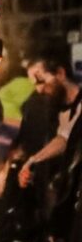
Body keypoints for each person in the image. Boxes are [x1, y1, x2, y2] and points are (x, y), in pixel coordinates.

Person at [16, 49, 80, 190]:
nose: (39, 90)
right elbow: (64, 138)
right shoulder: (56, 110)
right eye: (35, 85)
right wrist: (33, 161)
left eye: (41, 81)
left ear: (60, 73)